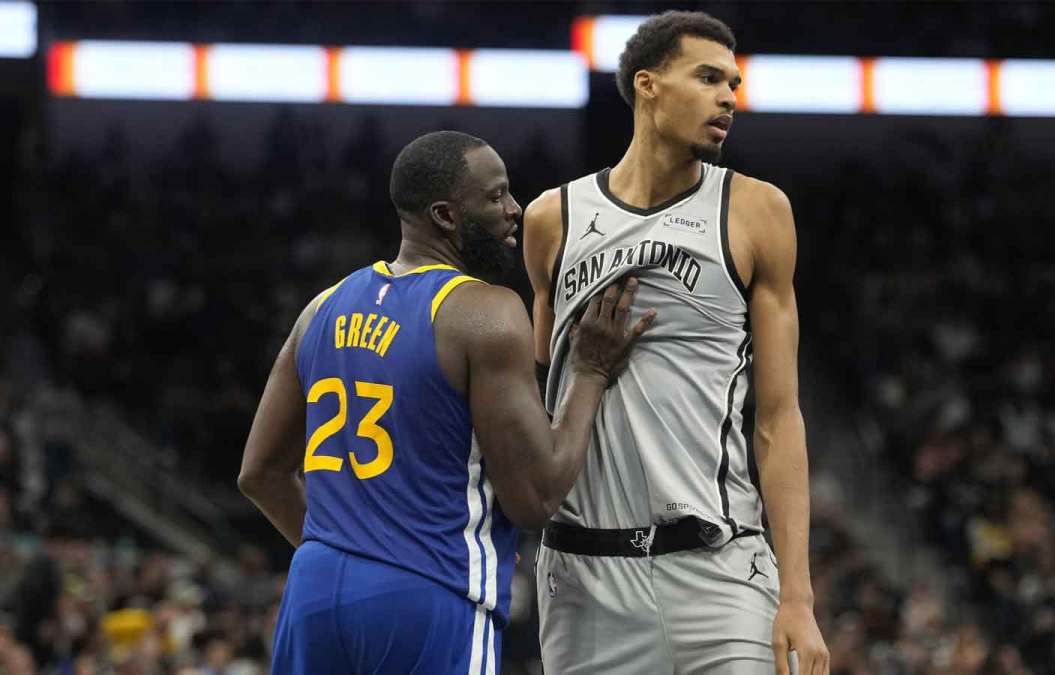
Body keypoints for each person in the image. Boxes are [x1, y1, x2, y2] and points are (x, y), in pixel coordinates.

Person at [238, 130, 654, 674]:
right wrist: (590, 372)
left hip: (313, 593)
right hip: (426, 592)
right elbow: (535, 495)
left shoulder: (321, 307)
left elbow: (259, 474)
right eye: (496, 196)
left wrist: (351, 554)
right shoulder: (484, 312)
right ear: (446, 216)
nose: (514, 209)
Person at [522, 11, 829, 675]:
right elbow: (530, 408)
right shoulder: (551, 219)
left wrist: (798, 596)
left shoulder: (756, 211)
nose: (728, 98)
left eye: (734, 84)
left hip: (720, 569)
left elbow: (779, 418)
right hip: (583, 579)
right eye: (709, 77)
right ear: (648, 84)